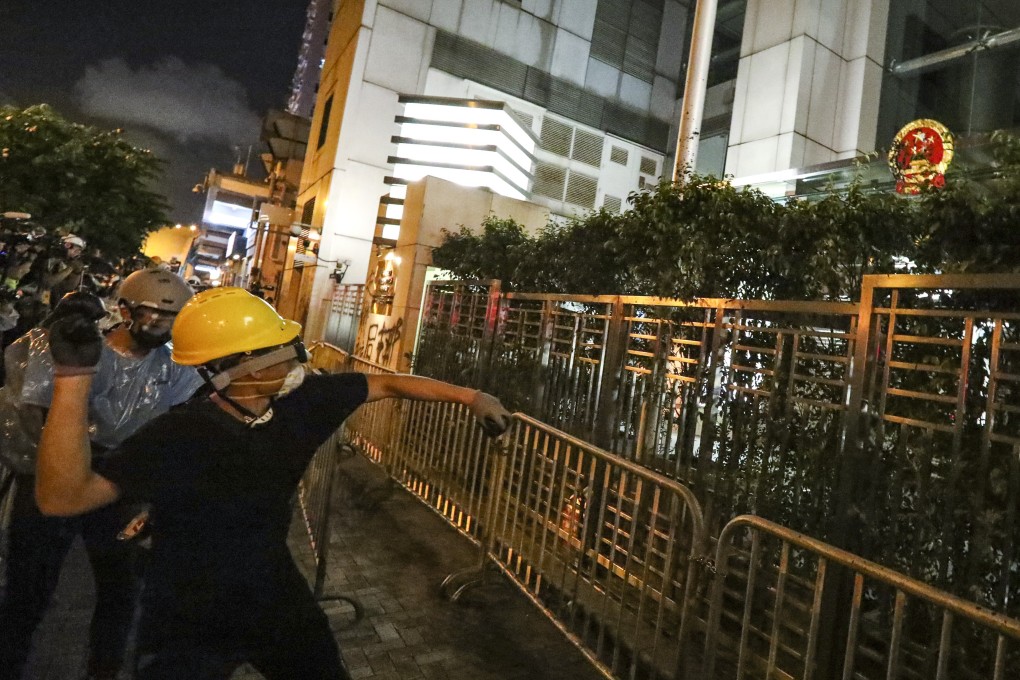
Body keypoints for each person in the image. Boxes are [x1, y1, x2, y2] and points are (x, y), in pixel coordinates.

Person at [33, 287, 511, 679]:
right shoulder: (178, 435)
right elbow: (62, 498)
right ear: (247, 366)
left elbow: (385, 384)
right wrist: (74, 377)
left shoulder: (303, 403)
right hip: (188, 612)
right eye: (284, 348)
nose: (299, 357)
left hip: (271, 593)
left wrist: (472, 396)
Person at [0, 268, 203, 680]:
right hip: (52, 476)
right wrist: (47, 339)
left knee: (121, 590)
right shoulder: (84, 348)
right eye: (152, 314)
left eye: (172, 317)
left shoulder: (175, 369)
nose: (161, 324)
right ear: (124, 310)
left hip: (118, 485)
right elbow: (32, 396)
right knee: (28, 589)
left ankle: (103, 670)